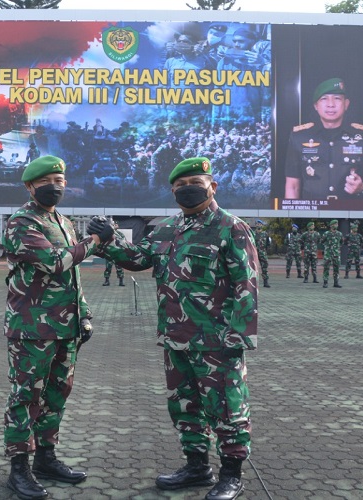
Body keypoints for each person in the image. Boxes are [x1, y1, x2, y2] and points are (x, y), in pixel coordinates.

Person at [91, 157, 258, 500]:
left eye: (195, 182)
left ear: (213, 186)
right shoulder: (167, 229)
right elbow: (138, 260)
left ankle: (231, 475)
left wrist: (239, 337)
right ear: (172, 191)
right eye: (180, 186)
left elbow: (246, 284)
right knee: (184, 406)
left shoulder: (232, 227)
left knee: (226, 407)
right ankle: (197, 466)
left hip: (217, 340)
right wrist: (109, 241)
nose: (188, 189)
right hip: (176, 338)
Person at [2, 155, 101, 500]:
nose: (54, 186)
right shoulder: (21, 223)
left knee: (56, 395)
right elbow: (57, 263)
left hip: (65, 327)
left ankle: (46, 458)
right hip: (32, 328)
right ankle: (19, 469)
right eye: (46, 181)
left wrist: (84, 314)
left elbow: (74, 279)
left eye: (59, 180)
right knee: (26, 396)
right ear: (30, 186)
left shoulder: (62, 221)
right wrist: (95, 243)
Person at [284, 78, 363, 200]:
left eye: (337, 98)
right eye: (324, 99)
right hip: (311, 212)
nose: (330, 104)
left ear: (346, 104)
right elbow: (292, 185)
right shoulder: (299, 137)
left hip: (351, 212)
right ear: (316, 106)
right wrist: (291, 217)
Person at [321, 219, 344, 288]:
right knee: (326, 268)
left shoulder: (339, 234)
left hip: (336, 254)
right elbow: (322, 241)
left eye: (337, 224)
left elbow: (341, 242)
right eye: (335, 224)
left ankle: (336, 283)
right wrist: (327, 247)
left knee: (336, 268)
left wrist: (337, 248)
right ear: (331, 225)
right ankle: (325, 282)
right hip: (328, 253)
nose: (337, 225)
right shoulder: (326, 233)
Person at [253, 219, 271, 288]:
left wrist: (264, 251)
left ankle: (265, 282)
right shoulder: (253, 233)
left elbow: (268, 244)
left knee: (265, 268)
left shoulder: (265, 234)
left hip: (263, 254)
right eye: (257, 224)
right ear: (255, 225)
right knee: (253, 268)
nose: (259, 225)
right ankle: (253, 283)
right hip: (255, 254)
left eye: (260, 224)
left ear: (262, 225)